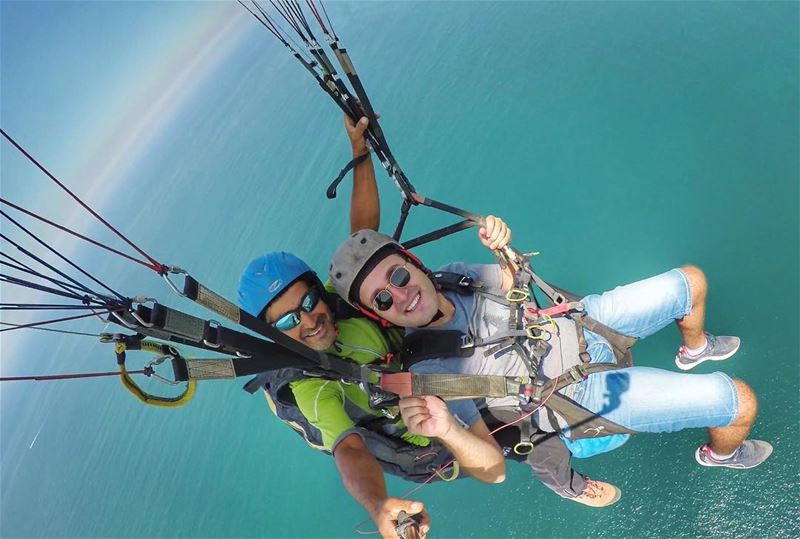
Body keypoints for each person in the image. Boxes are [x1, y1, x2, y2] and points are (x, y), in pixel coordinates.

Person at [328, 217, 774, 507]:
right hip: (574, 399)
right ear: (377, 314)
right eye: (384, 299)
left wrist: (502, 248)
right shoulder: (432, 374)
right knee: (737, 400)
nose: (402, 294)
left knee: (689, 282)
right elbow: (493, 469)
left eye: (399, 276)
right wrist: (445, 429)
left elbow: (511, 284)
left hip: (578, 327)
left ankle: (693, 350)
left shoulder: (452, 275)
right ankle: (722, 454)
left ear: (414, 264)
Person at [238, 115, 504, 539]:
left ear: (319, 292)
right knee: (513, 433)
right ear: (275, 334)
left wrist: (359, 153)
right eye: (288, 320)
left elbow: (361, 240)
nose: (308, 320)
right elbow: (349, 448)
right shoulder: (311, 387)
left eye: (308, 302)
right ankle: (565, 473)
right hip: (429, 433)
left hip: (439, 359)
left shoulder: (334, 302)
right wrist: (378, 506)